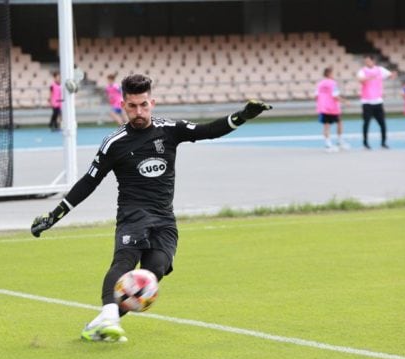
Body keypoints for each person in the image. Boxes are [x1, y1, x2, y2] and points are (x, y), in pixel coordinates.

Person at [30, 74, 272, 343]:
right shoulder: (114, 143)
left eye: (143, 105)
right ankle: (109, 316)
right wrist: (54, 216)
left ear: (152, 103)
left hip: (164, 219)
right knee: (123, 264)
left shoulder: (169, 129)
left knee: (152, 273)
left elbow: (208, 131)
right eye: (132, 106)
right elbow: (89, 181)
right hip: (133, 216)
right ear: (123, 105)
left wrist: (242, 116)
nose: (139, 112)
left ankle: (98, 325)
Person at [357, 55, 396, 149]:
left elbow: (391, 75)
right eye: (365, 61)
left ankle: (383, 142)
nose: (367, 63)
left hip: (378, 101)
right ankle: (365, 143)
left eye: (368, 61)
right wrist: (368, 78)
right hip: (367, 101)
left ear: (373, 61)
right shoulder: (362, 71)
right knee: (366, 123)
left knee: (382, 123)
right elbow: (360, 79)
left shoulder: (380, 69)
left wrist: (393, 74)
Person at [315, 66, 349, 152]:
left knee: (326, 126)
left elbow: (316, 96)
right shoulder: (333, 83)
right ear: (329, 74)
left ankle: (328, 144)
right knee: (339, 122)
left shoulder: (320, 84)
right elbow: (335, 96)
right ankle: (340, 141)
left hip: (323, 107)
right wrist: (345, 101)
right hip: (333, 108)